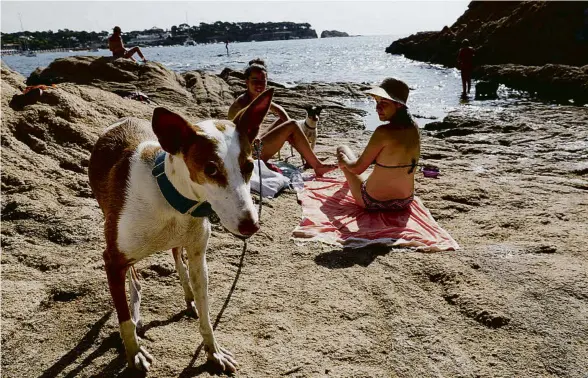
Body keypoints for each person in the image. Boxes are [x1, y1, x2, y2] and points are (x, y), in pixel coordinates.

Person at [228, 59, 336, 176]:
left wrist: (291, 133)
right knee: (292, 125)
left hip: (254, 146)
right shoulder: (242, 103)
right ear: (246, 82)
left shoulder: (257, 98)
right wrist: (291, 131)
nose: (259, 84)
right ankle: (316, 165)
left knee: (285, 123)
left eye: (263, 80)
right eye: (254, 80)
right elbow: (237, 137)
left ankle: (309, 160)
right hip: (246, 155)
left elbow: (279, 110)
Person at [336, 78, 420, 211]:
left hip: (372, 201)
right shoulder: (414, 128)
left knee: (343, 149)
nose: (377, 108)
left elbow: (357, 168)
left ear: (398, 105)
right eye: (377, 102)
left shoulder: (383, 132)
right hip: (405, 201)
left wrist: (344, 162)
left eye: (384, 103)